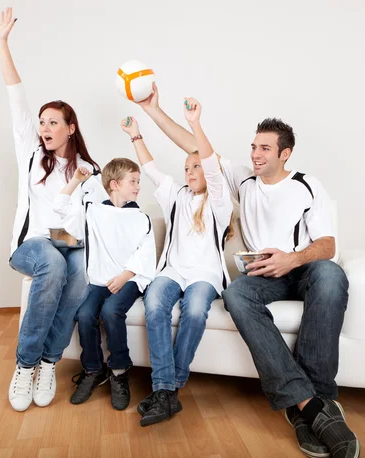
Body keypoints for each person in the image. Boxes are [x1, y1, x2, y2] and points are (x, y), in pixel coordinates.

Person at [135, 85, 359, 456]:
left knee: (332, 274)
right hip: (260, 278)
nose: (255, 154)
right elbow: (193, 144)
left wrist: (292, 258)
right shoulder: (244, 180)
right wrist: (155, 111)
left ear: (284, 154)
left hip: (301, 270)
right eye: (254, 147)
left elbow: (327, 246)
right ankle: (312, 407)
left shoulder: (306, 185)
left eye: (265, 148)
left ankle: (314, 402)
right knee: (235, 295)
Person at [0, 7, 107, 412]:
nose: (44, 127)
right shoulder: (29, 152)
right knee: (55, 265)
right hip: (30, 245)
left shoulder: (88, 171)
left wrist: (80, 192)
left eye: (53, 121)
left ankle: (48, 361)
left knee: (77, 270)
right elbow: (15, 97)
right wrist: (2, 43)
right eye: (42, 121)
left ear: (70, 128)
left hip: (65, 243)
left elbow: (85, 222)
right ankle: (25, 365)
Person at [123, 99, 233, 427]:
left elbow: (213, 168)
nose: (190, 172)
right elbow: (151, 169)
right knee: (154, 306)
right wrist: (135, 135)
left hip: (205, 275)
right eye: (187, 168)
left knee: (196, 310)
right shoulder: (175, 194)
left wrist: (195, 123)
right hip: (172, 271)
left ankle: (168, 389)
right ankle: (166, 392)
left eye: (196, 166)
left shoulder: (219, 202)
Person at [54, 157, 156, 410]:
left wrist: (125, 276)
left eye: (138, 181)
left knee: (111, 311)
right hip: (100, 279)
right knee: (85, 313)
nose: (137, 186)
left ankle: (119, 373)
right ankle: (92, 370)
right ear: (114, 184)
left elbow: (145, 254)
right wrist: (77, 180)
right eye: (133, 181)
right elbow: (59, 207)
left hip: (130, 277)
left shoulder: (141, 218)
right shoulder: (93, 211)